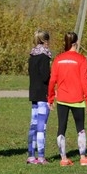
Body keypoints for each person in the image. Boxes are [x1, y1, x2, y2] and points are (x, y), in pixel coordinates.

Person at [48, 31, 87, 166]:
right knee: (80, 128)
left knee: (61, 127)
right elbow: (84, 82)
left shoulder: (58, 59)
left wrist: (50, 98)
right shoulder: (81, 59)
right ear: (76, 43)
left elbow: (52, 81)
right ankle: (83, 157)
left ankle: (63, 159)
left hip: (62, 98)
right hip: (78, 99)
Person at [26, 30, 51, 164]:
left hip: (33, 93)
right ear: (46, 41)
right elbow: (45, 76)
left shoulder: (32, 55)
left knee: (33, 124)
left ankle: (31, 155)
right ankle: (41, 156)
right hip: (43, 94)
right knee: (42, 126)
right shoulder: (44, 56)